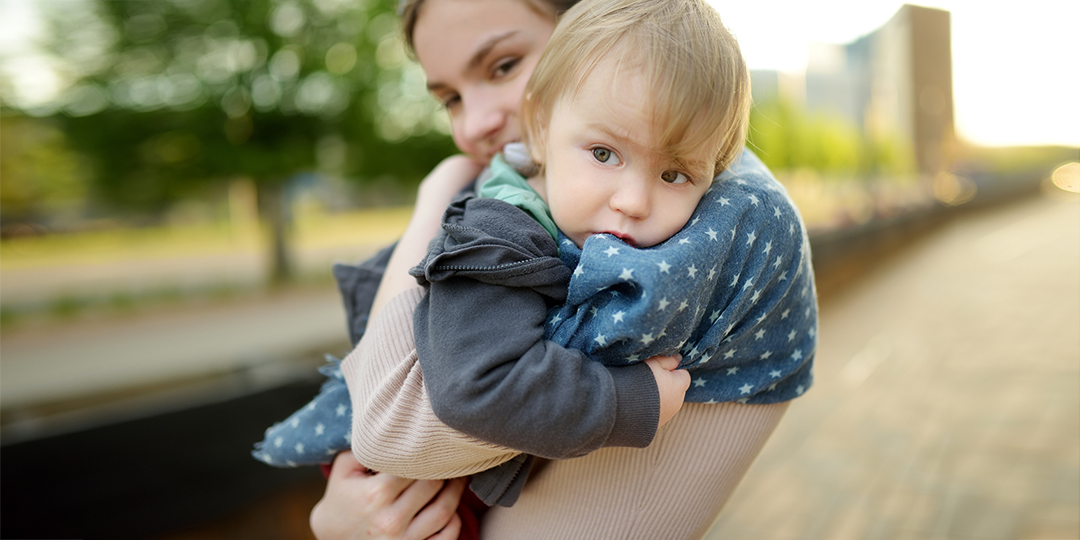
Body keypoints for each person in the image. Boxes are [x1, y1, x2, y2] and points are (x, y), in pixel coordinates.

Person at [311, 0, 816, 537]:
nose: (475, 124)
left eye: (503, 65)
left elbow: (397, 418)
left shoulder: (739, 217)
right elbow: (410, 417)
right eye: (451, 99)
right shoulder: (506, 214)